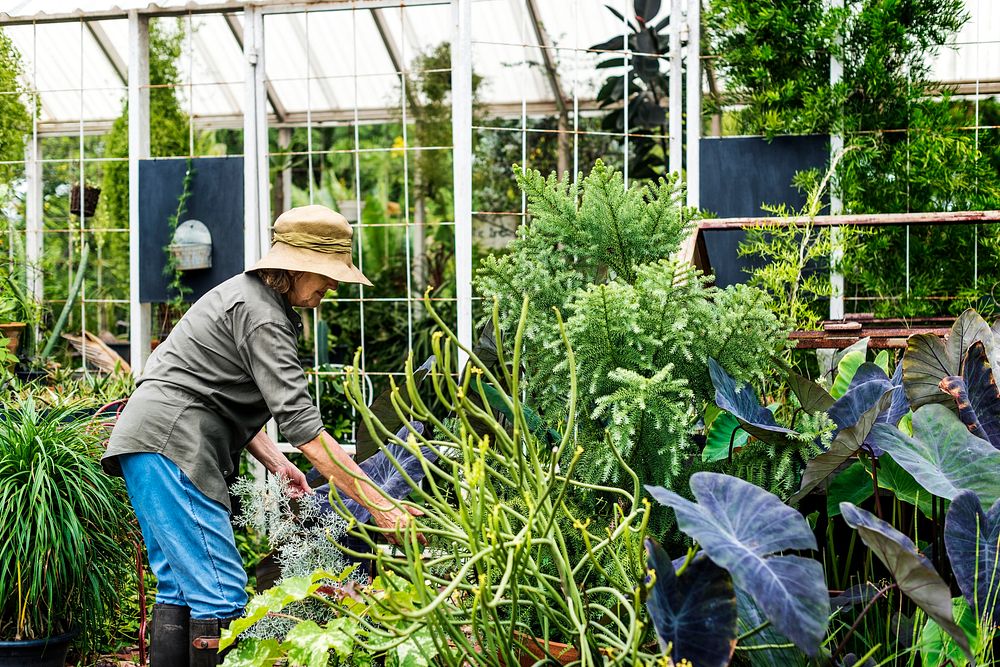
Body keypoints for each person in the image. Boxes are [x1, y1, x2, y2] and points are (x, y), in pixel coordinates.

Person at [102, 205, 420, 667]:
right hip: (175, 447)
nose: (332, 285)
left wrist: (278, 462)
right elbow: (307, 431)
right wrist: (383, 507)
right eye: (326, 274)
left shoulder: (251, 300)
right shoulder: (263, 315)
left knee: (181, 587)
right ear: (292, 268)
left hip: (151, 443)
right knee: (222, 594)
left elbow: (214, 389)